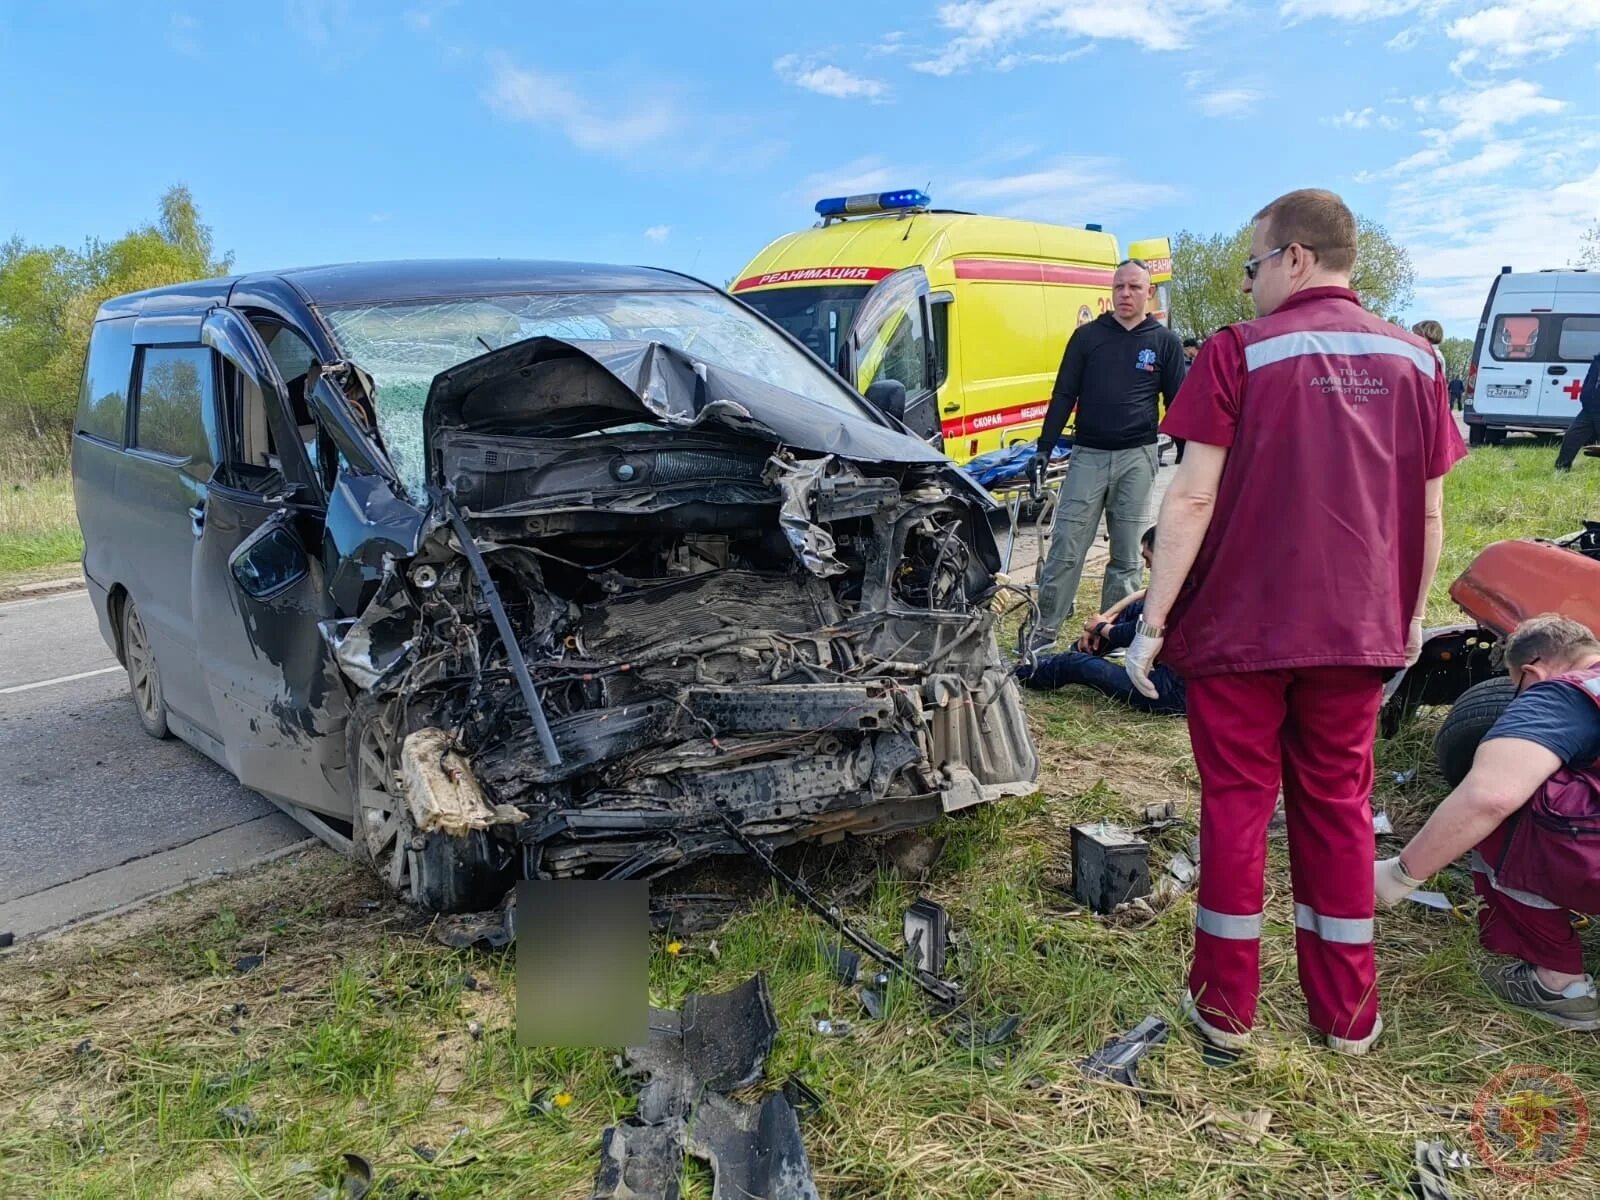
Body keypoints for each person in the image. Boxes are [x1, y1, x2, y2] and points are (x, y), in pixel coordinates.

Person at [1125, 188, 1467, 1055]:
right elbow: (1428, 518)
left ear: (1297, 258)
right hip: (1357, 634)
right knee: (1338, 808)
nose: (1246, 286)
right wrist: (1410, 620)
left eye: (1253, 265)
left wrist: (1153, 621)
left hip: (1241, 631)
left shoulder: (1241, 353)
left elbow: (1192, 494)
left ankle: (1226, 1012)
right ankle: (1347, 1018)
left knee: (1237, 809)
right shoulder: (1420, 364)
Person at [1376, 615, 1600, 1030]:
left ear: (1531, 670)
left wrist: (1400, 873)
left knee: (1515, 806)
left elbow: (1487, 799)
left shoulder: (1558, 695)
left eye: (1517, 686)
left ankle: (1559, 985)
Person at [1023, 259, 1187, 651]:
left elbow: (1179, 402)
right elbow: (1064, 394)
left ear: (1149, 292)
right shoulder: (1087, 338)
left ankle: (1109, 637)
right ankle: (1044, 630)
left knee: (1127, 554)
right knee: (1067, 545)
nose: (1125, 294)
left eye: (1134, 287)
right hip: (1088, 454)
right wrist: (1044, 448)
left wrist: (1187, 455)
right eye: (1119, 287)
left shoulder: (1164, 342)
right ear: (1111, 291)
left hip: (1138, 456)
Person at [1016, 526, 1185, 714]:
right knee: (1136, 610)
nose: (1147, 566)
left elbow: (1133, 632)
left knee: (1075, 666)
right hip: (1179, 681)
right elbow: (1140, 597)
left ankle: (1021, 673)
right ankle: (1082, 650)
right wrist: (1098, 626)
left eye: (1148, 558)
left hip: (1171, 693)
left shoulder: (1180, 596)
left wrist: (1101, 626)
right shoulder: (1190, 583)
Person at [1553, 350, 1600, 471]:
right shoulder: (1597, 359)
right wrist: (1585, 397)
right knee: (1572, 436)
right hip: (1589, 409)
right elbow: (1589, 381)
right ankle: (1561, 470)